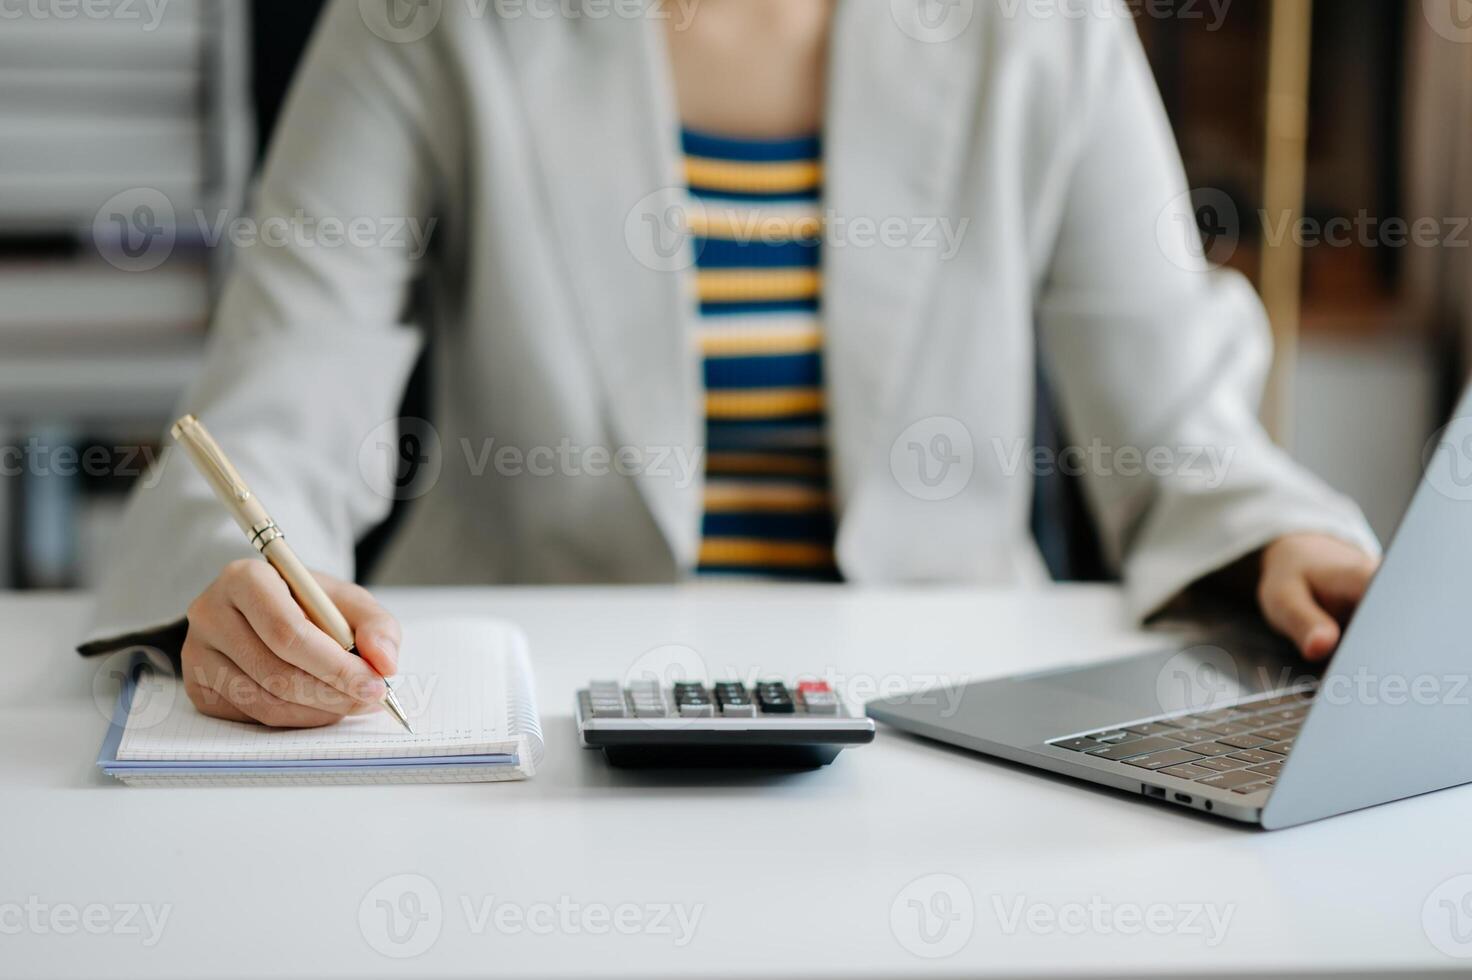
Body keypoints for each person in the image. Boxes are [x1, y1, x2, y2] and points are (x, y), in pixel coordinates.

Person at [82, 0, 1381, 728]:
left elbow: (1183, 434)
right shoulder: (427, 23)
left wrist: (1281, 544)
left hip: (947, 742)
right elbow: (277, 404)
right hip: (531, 743)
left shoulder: (1040, 27)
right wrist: (243, 574)